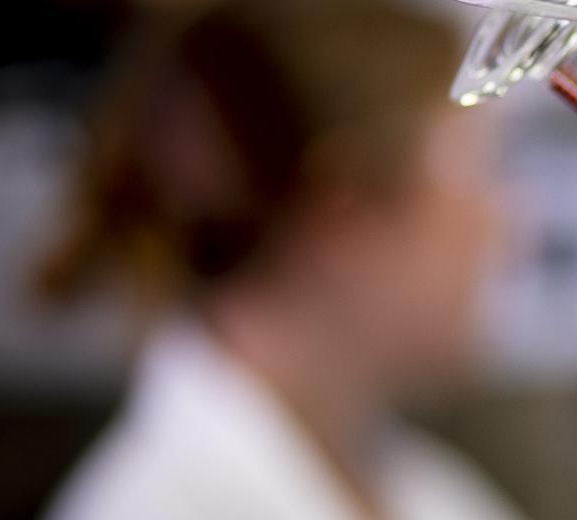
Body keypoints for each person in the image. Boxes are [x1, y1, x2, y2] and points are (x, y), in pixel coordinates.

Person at [35, 1, 520, 519]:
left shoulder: (431, 493)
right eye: (474, 173)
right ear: (344, 218)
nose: (502, 223)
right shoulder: (149, 508)